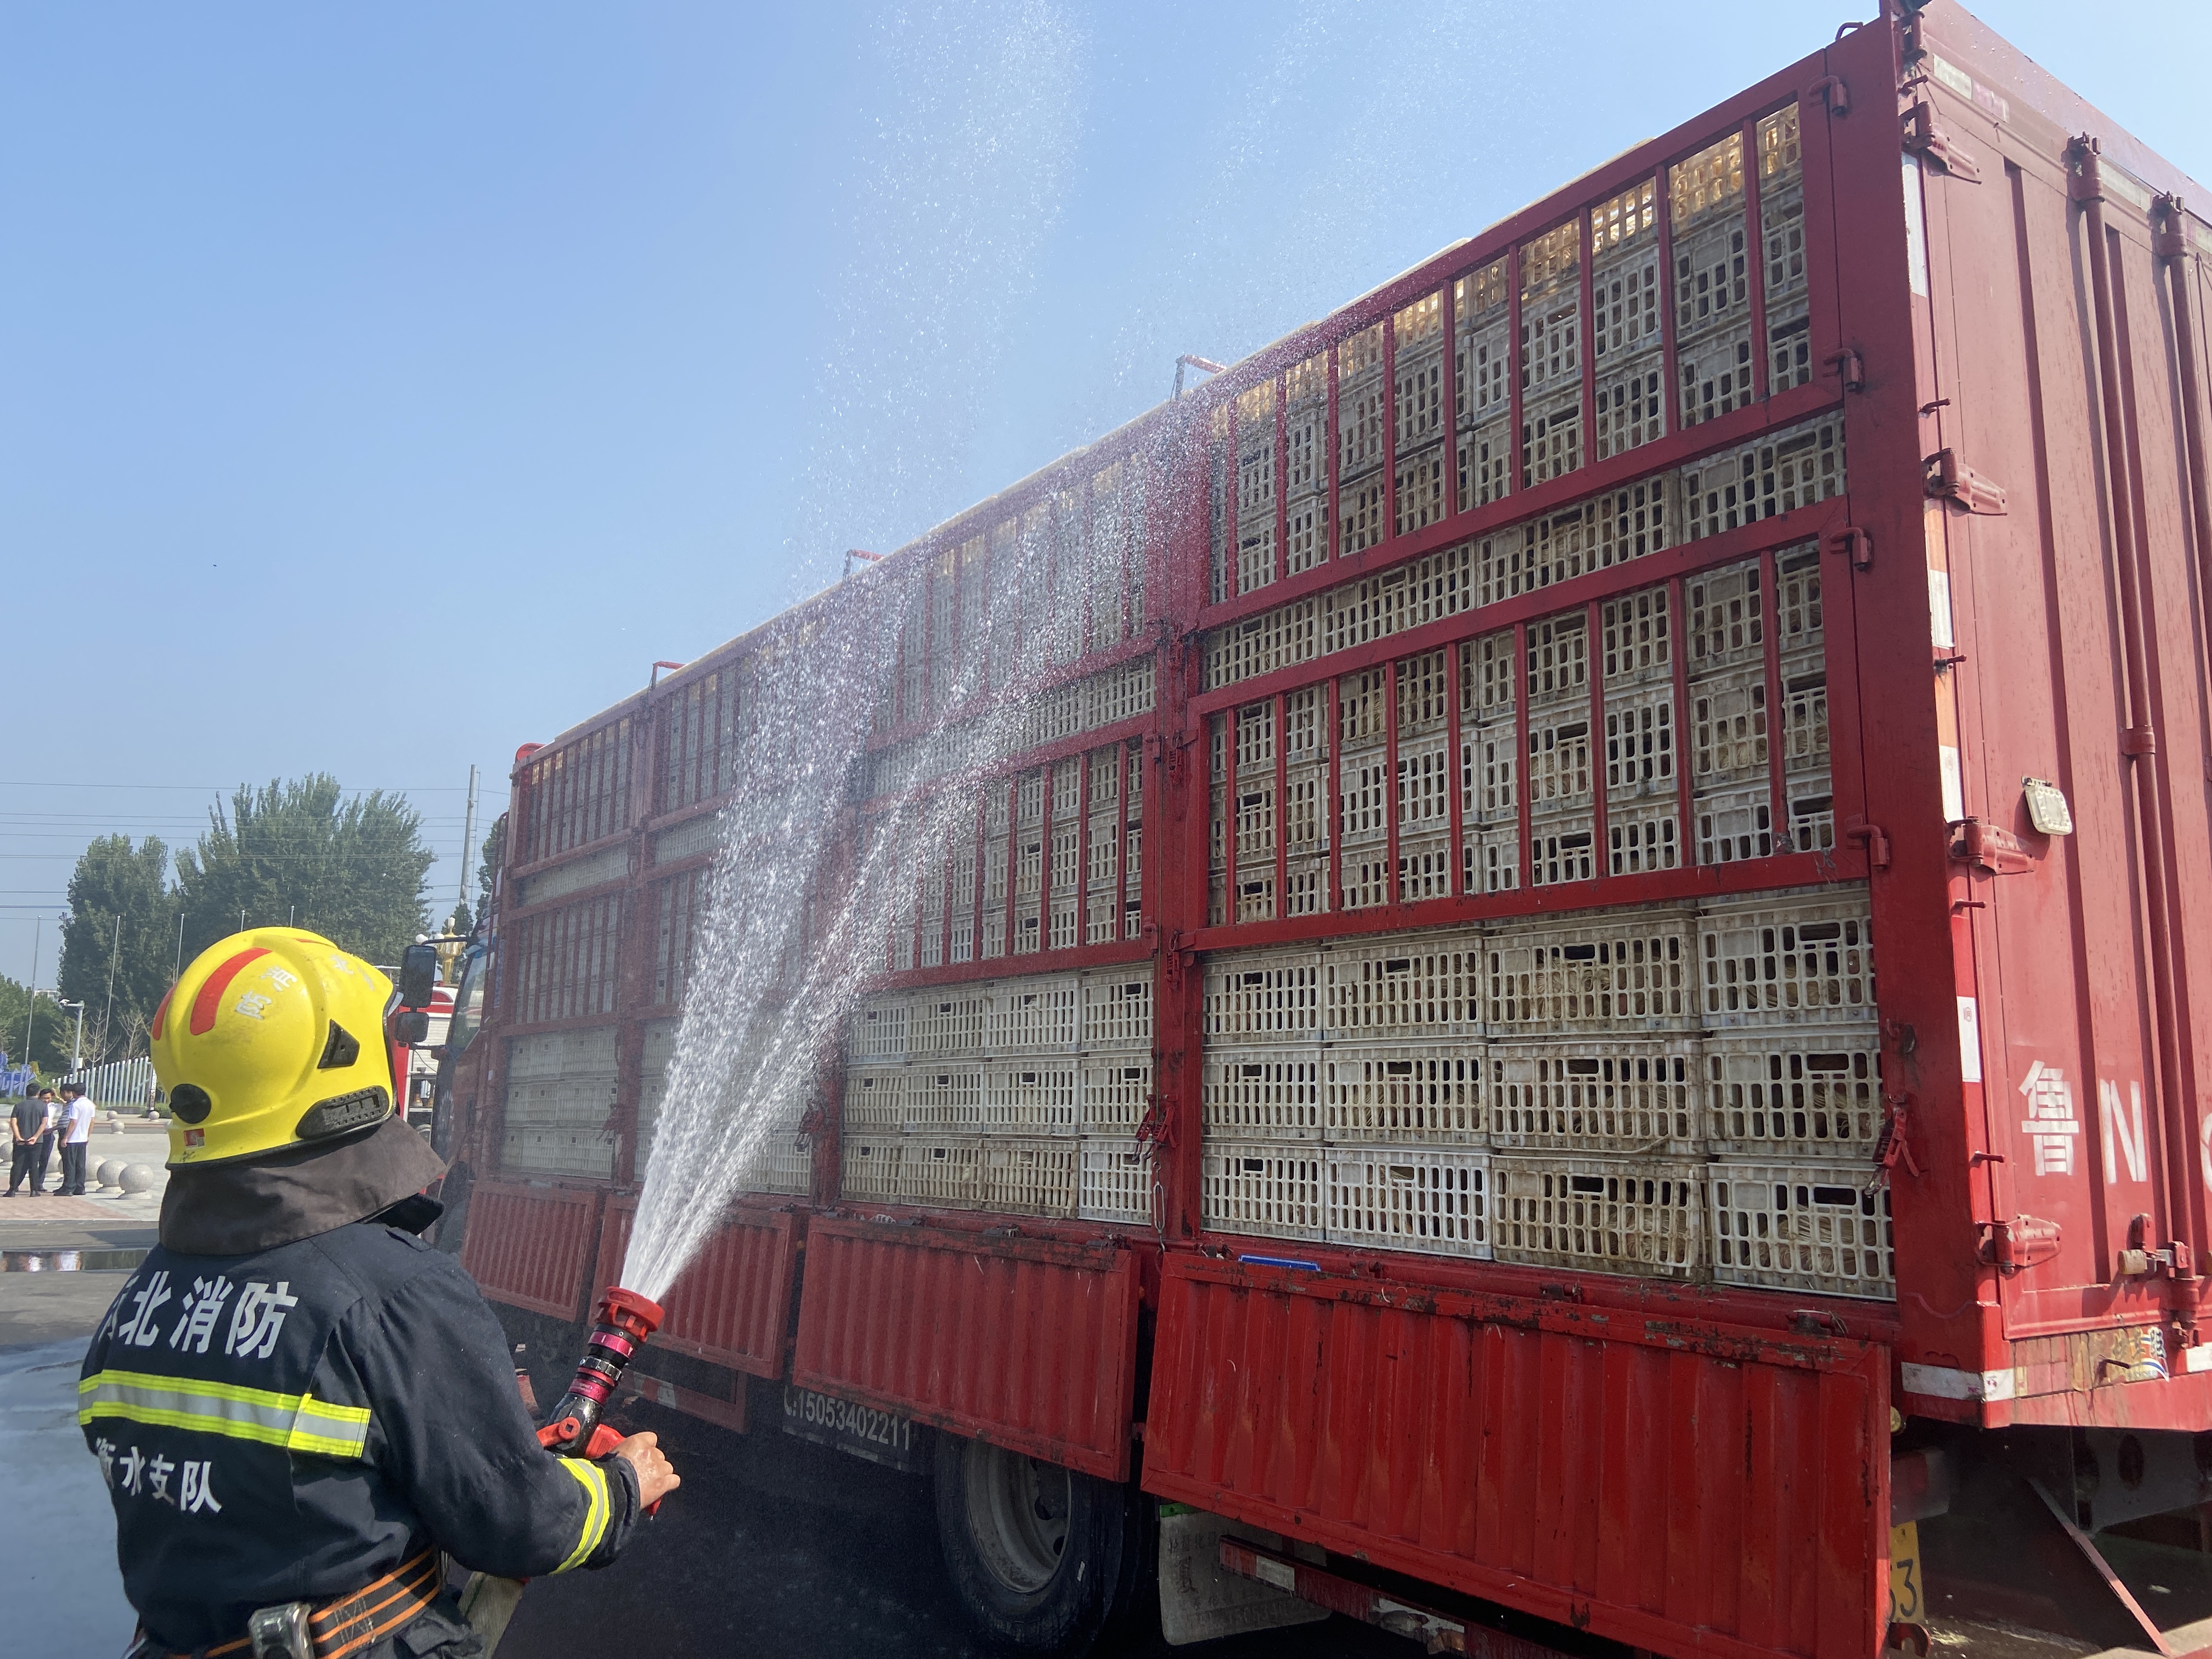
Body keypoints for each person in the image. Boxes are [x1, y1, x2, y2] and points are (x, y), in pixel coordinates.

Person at [80, 928, 680, 1658]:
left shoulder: (142, 1300)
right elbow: (520, 1525)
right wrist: (620, 1486)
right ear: (349, 1064)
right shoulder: (396, 1294)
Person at [58, 1082, 94, 1195]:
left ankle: (69, 1188)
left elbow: (73, 1122)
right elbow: (92, 1121)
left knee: (70, 1164)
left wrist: (66, 1137)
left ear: (73, 1093)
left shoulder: (76, 1105)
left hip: (73, 1139)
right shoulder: (90, 1104)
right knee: (80, 1164)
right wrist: (87, 1135)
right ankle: (80, 1187)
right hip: (83, 1139)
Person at [6, 1091, 43, 1195]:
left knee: (17, 1164)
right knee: (34, 1165)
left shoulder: (19, 1105)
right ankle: (34, 1190)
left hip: (20, 1141)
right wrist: (35, 1137)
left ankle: (12, 1189)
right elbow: (44, 1123)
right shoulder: (42, 1106)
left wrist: (18, 1137)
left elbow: (13, 1122)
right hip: (37, 1141)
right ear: (38, 1093)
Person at [29, 1086, 59, 1193]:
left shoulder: (53, 1106)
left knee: (44, 1160)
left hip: (48, 1134)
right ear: (39, 1097)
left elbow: (67, 1104)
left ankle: (39, 1183)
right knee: (31, 1160)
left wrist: (57, 1096)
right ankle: (18, 1182)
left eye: (49, 1098)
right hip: (35, 1134)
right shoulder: (36, 1106)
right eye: (44, 1098)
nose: (47, 1100)